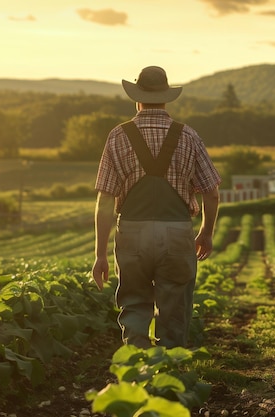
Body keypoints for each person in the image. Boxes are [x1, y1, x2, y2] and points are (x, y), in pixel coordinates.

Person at [91, 65, 221, 348]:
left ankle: (137, 370)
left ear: (136, 98)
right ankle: (169, 373)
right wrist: (206, 232)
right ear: (166, 98)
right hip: (176, 232)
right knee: (174, 307)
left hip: (132, 233)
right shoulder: (188, 136)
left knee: (134, 303)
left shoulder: (117, 136)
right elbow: (211, 193)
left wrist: (100, 254)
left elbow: (105, 200)